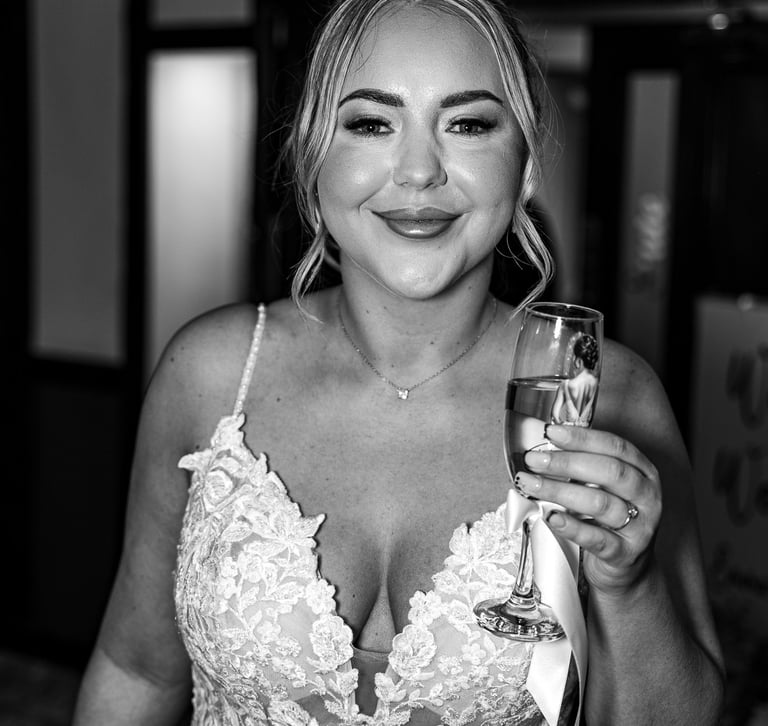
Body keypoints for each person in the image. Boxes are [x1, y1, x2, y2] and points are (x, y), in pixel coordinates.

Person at [73, 0, 725, 724]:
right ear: (314, 155)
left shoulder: (605, 394)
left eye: (468, 124)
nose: (419, 172)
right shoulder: (211, 372)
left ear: (525, 163)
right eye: (371, 123)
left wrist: (630, 584)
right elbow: (134, 669)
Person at [550, 334, 600, 427]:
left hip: (566, 433)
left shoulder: (566, 385)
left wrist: (565, 424)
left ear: (579, 360)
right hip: (587, 434)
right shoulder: (596, 383)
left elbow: (555, 417)